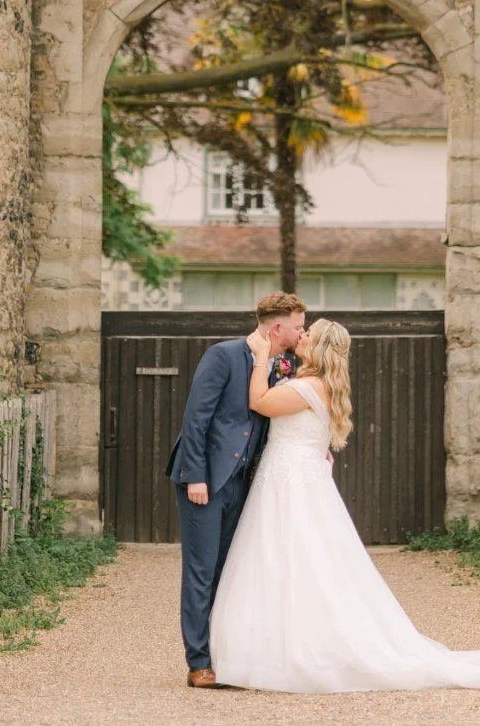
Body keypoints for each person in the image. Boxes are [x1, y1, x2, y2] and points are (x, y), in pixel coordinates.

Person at [209, 318, 480, 694]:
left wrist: (260, 358)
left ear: (319, 347)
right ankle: (279, 645)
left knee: (294, 558)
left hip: (292, 483)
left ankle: (295, 648)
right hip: (293, 478)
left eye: (309, 333)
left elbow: (258, 401)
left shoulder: (308, 386)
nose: (301, 336)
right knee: (290, 558)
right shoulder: (318, 385)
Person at [165, 290, 306, 688]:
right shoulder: (223, 355)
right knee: (201, 571)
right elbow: (196, 418)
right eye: (297, 327)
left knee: (232, 573)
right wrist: (195, 475)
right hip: (205, 482)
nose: (302, 333)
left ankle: (228, 656)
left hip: (246, 483)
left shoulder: (283, 364)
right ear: (278, 327)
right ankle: (199, 663)